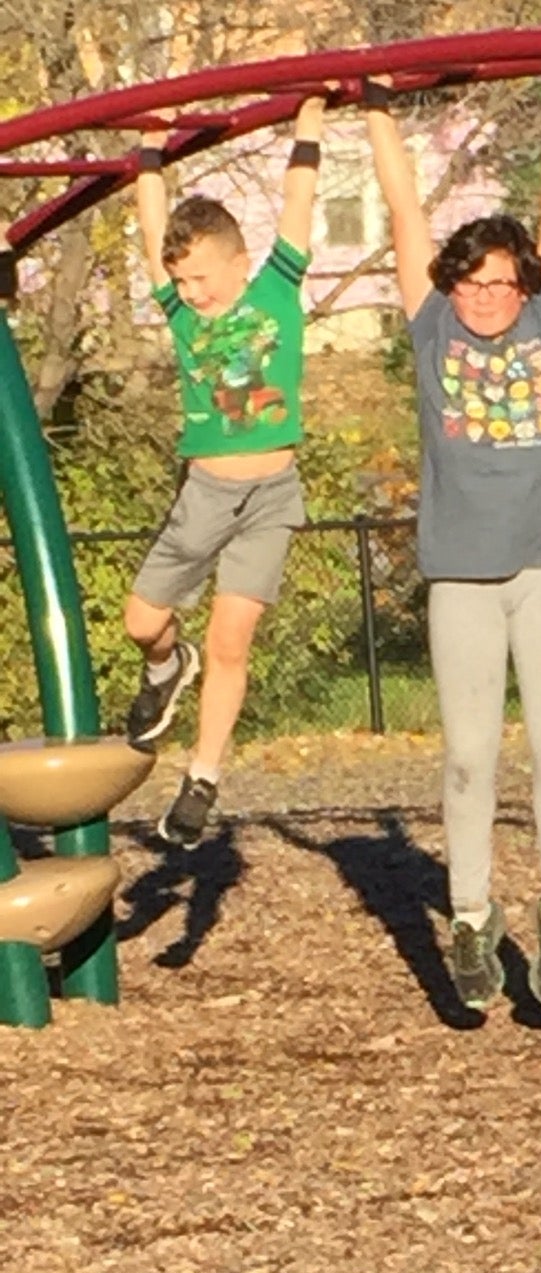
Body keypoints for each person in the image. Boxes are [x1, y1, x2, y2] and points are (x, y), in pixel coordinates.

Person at [362, 65, 541, 1015]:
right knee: (467, 756)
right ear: (450, 286)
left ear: (526, 285)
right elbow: (402, 205)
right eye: (473, 281)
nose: (490, 296)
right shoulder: (431, 331)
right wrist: (373, 102)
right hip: (460, 570)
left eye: (504, 281)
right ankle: (469, 917)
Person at [122, 98, 326, 848]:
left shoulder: (276, 286)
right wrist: (149, 150)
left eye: (204, 278)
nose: (195, 293)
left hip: (272, 495)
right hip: (206, 491)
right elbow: (152, 232)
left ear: (239, 262)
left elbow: (299, 199)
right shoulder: (183, 318)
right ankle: (166, 666)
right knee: (141, 620)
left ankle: (202, 777)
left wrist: (309, 122)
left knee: (233, 639)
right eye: (185, 281)